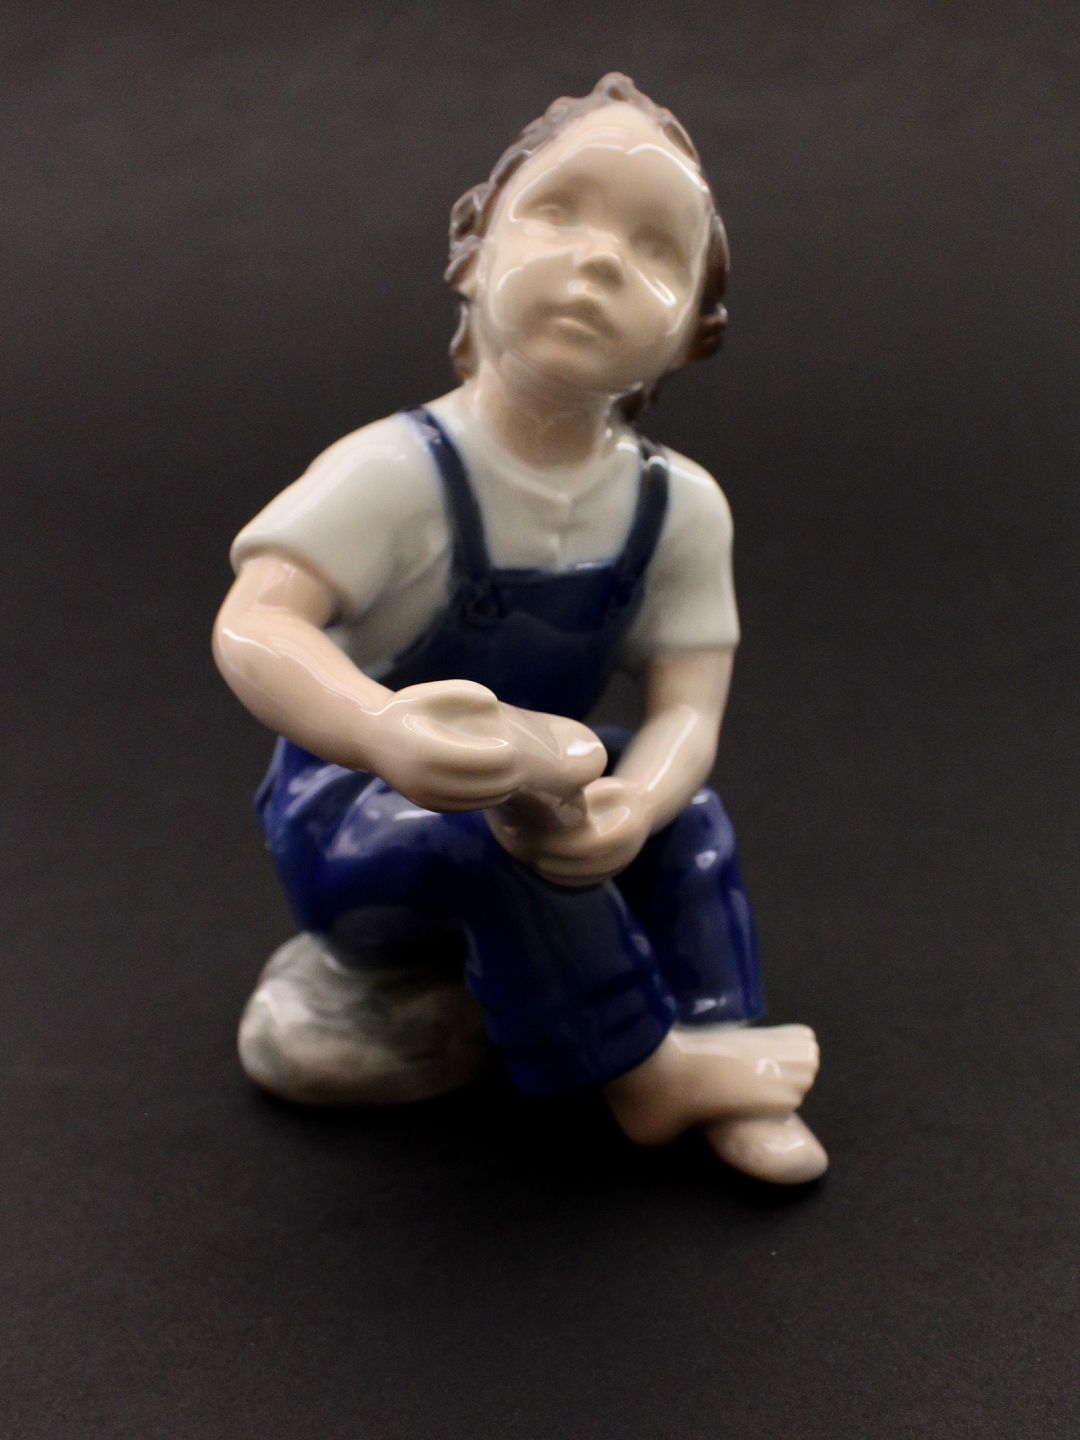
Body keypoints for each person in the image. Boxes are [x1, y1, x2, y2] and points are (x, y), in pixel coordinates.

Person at [214, 73, 827, 1184]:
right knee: (484, 828)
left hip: (548, 790)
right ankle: (648, 1074)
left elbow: (689, 713)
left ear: (694, 333)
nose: (600, 261)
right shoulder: (397, 471)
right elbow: (254, 621)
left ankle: (722, 1039)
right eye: (558, 211)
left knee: (690, 821)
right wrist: (380, 729)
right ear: (472, 255)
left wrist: (635, 806)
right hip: (358, 820)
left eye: (655, 250)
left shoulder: (679, 507)